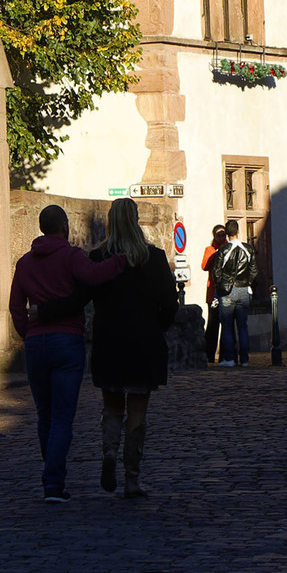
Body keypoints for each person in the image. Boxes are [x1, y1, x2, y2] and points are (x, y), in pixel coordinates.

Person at [8, 204, 125, 502]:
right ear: (64, 227)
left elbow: (15, 306)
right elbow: (95, 276)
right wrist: (122, 261)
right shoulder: (70, 256)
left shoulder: (24, 263)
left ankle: (52, 474)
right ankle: (53, 483)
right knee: (61, 418)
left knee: (44, 416)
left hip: (36, 345)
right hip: (66, 341)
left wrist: (27, 333)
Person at [88, 199, 178, 499]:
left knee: (112, 407)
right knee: (138, 410)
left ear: (110, 221)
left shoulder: (99, 256)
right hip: (143, 342)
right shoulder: (152, 258)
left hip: (109, 341)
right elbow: (170, 303)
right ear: (136, 220)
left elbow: (89, 298)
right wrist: (157, 328)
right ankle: (132, 479)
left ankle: (110, 452)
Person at [214, 219, 256, 367]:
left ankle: (229, 358)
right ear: (238, 231)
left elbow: (216, 271)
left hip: (227, 291)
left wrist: (221, 287)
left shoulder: (223, 249)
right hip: (243, 289)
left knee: (226, 326)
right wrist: (248, 281)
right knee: (242, 326)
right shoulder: (248, 249)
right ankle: (244, 359)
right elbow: (254, 270)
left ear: (227, 233)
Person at [200, 224, 228, 365]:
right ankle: (209, 355)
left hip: (227, 292)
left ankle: (225, 355)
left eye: (223, 235)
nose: (222, 237)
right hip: (213, 294)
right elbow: (204, 266)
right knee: (213, 325)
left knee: (227, 325)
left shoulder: (230, 248)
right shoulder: (210, 249)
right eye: (219, 235)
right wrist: (216, 254)